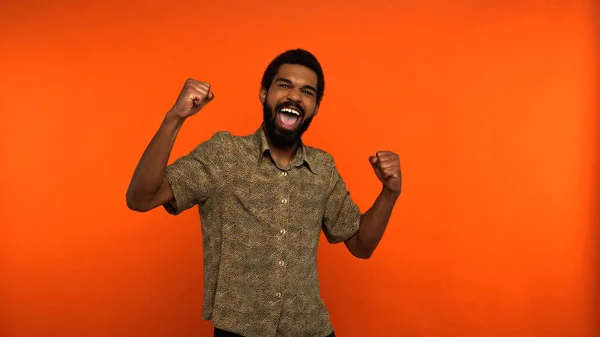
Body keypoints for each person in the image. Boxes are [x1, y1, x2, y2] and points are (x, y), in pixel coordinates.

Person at [126, 49, 402, 337]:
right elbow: (141, 198)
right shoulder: (224, 154)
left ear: (315, 107)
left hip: (312, 330)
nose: (295, 96)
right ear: (263, 94)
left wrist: (389, 193)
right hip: (239, 332)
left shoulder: (323, 167)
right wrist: (175, 117)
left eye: (307, 91)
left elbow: (361, 245)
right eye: (284, 85)